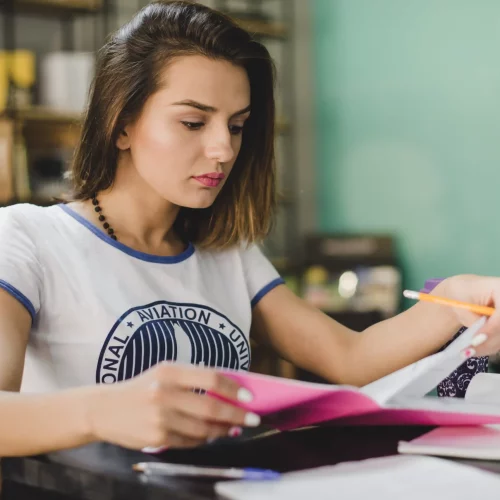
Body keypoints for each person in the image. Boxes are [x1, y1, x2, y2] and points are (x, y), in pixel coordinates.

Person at [0, 0, 499, 457]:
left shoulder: (226, 252)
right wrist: (101, 411)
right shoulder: (28, 239)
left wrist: (457, 301)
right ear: (122, 122)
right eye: (194, 123)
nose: (223, 149)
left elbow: (350, 356)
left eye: (236, 126)